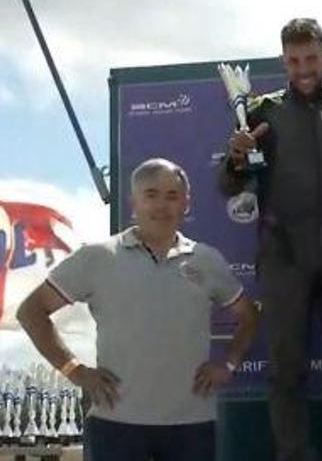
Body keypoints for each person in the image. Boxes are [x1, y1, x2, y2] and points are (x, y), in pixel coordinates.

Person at [16, 158, 259, 461]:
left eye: (172, 196)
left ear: (186, 203)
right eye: (151, 194)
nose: (162, 205)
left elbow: (249, 317)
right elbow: (31, 311)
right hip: (116, 425)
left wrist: (230, 364)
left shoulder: (206, 260)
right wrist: (74, 371)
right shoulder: (97, 258)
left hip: (191, 425)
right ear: (134, 201)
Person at [219, 18, 322, 461]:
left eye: (311, 57)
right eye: (294, 60)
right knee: (286, 369)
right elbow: (230, 185)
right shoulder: (261, 111)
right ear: (283, 61)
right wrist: (234, 159)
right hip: (284, 252)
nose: (303, 68)